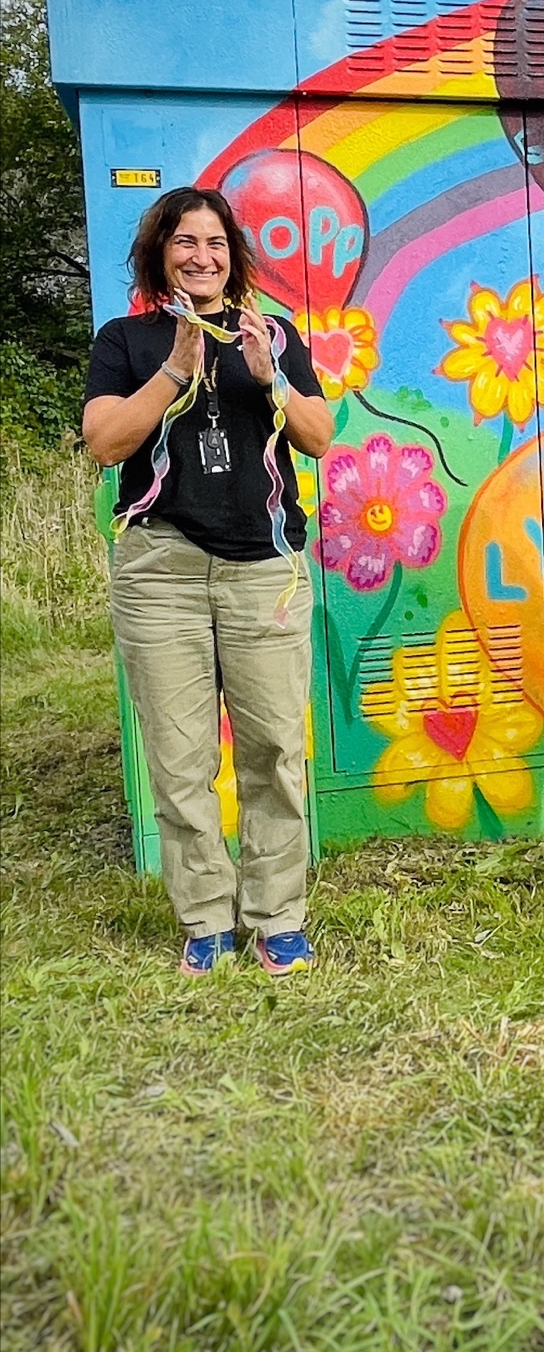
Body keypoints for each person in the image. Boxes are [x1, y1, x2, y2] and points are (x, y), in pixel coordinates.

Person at [83, 187, 333, 976]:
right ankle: (204, 919)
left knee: (274, 750)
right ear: (160, 253)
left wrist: (269, 377)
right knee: (181, 755)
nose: (202, 255)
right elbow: (104, 443)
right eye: (185, 242)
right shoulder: (126, 339)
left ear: (234, 254)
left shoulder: (275, 333)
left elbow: (320, 440)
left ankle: (276, 916)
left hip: (263, 565)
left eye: (216, 242)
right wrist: (173, 371)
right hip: (162, 568)